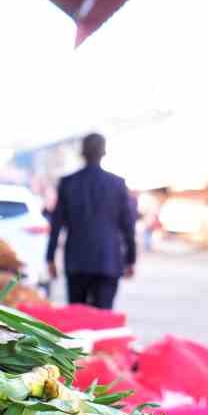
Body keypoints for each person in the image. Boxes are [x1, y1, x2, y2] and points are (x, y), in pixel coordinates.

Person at [46, 132, 137, 310]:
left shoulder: (67, 183)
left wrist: (50, 258)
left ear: (82, 153)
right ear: (104, 152)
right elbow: (128, 226)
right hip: (108, 261)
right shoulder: (117, 184)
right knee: (103, 318)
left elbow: (56, 225)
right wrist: (130, 259)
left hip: (76, 262)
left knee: (78, 319)